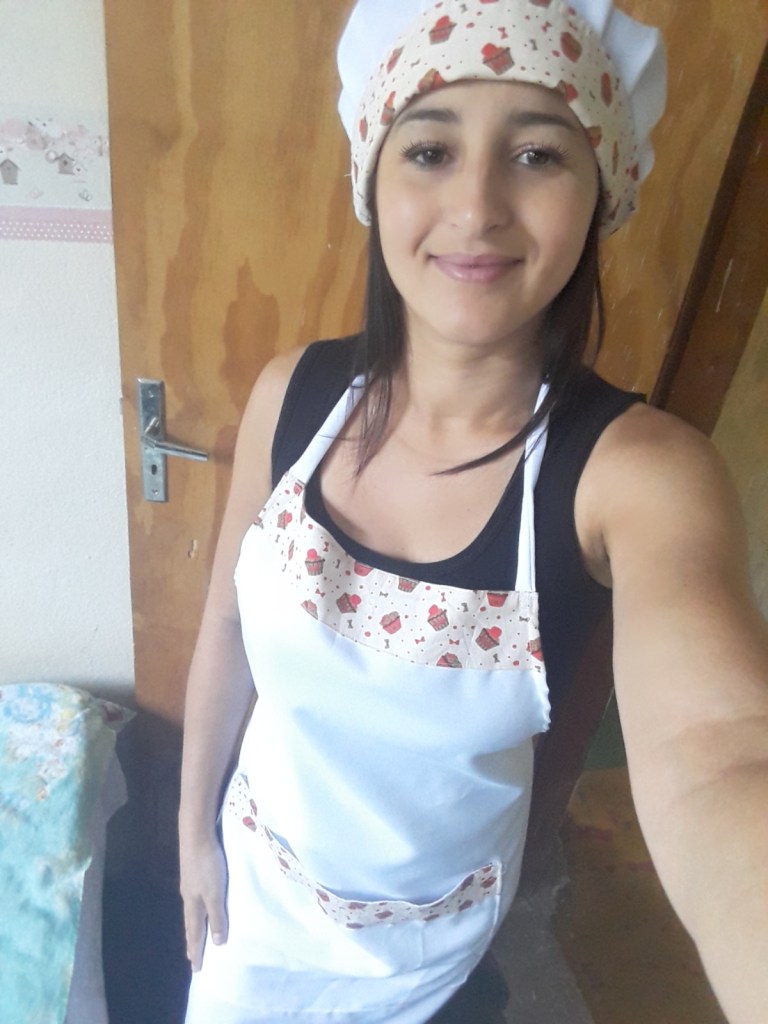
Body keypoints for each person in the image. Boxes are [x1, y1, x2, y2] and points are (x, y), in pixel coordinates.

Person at [179, 1, 768, 1021]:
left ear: (600, 192)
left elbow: (722, 752)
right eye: (431, 150)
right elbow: (227, 622)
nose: (477, 206)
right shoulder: (293, 394)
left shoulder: (637, 475)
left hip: (431, 952)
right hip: (256, 893)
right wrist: (191, 832)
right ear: (375, 177)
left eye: (537, 154)